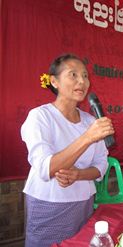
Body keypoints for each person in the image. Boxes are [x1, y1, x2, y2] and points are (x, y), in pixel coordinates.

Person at [21, 54, 115, 247]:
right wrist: (88, 137)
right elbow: (46, 168)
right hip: (48, 203)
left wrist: (78, 174)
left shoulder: (91, 121)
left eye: (85, 75)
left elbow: (101, 166)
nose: (82, 81)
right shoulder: (40, 117)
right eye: (73, 75)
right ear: (54, 81)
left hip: (84, 202)